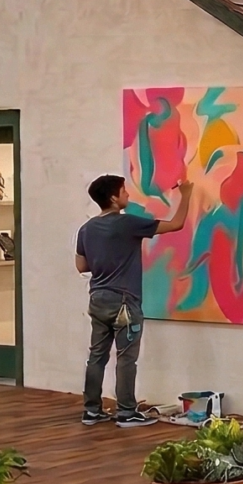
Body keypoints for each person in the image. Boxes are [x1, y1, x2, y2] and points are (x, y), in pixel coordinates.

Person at [74, 173, 195, 427]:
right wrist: (186, 195)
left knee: (97, 356)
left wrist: (105, 259)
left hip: (98, 299)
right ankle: (127, 413)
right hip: (124, 302)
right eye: (124, 191)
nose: (128, 194)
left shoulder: (86, 229)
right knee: (126, 358)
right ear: (113, 198)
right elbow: (176, 224)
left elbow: (82, 266)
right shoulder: (127, 223)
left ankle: (91, 411)